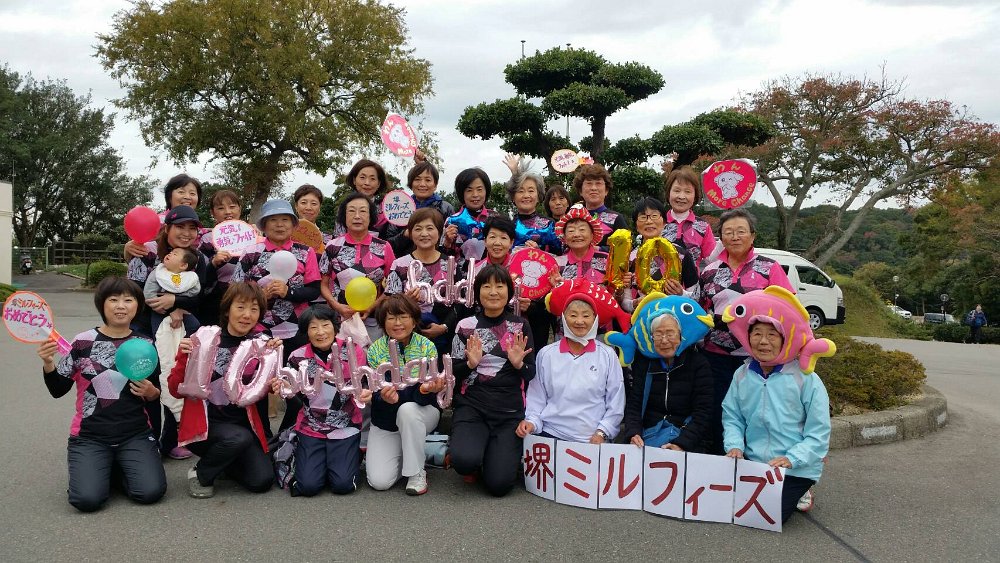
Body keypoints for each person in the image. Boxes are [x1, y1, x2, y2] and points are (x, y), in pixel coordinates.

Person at [37, 276, 166, 512]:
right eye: (113, 300)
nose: (121, 306)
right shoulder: (82, 342)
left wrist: (151, 392)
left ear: (138, 305)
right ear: (102, 304)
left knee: (150, 492)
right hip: (90, 436)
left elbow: (155, 391)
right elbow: (58, 390)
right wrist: (48, 363)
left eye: (128, 300)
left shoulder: (145, 344)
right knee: (87, 500)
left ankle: (115, 468)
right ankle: (100, 468)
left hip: (135, 433)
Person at [169, 282, 280, 498]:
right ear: (227, 309)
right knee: (238, 438)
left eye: (254, 309)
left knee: (262, 481)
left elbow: (269, 389)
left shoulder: (262, 346)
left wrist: (276, 375)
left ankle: (222, 463)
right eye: (240, 307)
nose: (247, 315)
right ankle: (201, 473)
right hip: (207, 427)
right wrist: (184, 358)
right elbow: (175, 390)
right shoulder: (203, 340)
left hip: (245, 428)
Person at [699, 208, 795, 454]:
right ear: (721, 238)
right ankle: (721, 460)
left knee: (756, 411)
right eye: (728, 232)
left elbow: (789, 308)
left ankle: (756, 463)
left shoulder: (769, 268)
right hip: (715, 355)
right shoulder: (709, 271)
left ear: (752, 235)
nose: (735, 237)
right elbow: (701, 309)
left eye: (741, 231)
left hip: (757, 356)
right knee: (718, 410)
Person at [126, 204, 215, 460]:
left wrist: (176, 303)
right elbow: (132, 295)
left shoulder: (199, 259)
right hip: (145, 327)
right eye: (180, 227)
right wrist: (162, 309)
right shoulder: (145, 254)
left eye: (192, 228)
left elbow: (200, 297)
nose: (186, 233)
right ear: (167, 229)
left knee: (176, 379)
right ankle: (149, 440)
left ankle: (173, 438)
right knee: (150, 382)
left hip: (182, 328)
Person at [723, 320, 831, 522]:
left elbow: (819, 432)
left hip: (796, 467)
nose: (763, 341)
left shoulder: (806, 378)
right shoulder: (742, 374)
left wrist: (793, 458)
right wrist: (734, 446)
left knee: (768, 516)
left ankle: (802, 490)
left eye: (772, 335)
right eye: (757, 334)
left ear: (785, 340)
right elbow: (732, 416)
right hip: (755, 463)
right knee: (727, 505)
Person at [450, 265, 535, 497]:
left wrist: (518, 364)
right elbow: (453, 373)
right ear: (477, 292)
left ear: (509, 292)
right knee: (464, 461)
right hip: (473, 407)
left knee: (499, 485)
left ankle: (491, 456)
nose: (494, 292)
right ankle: (472, 455)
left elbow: (531, 373)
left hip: (508, 412)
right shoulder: (465, 326)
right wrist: (470, 364)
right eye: (487, 286)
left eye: (500, 286)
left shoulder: (520, 325)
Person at [274, 306, 371, 496]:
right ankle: (301, 451)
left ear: (335, 326)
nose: (320, 332)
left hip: (346, 425)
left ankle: (348, 457)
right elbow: (291, 389)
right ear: (306, 331)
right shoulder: (297, 356)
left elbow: (365, 382)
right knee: (308, 487)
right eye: (313, 327)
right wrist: (283, 387)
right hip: (311, 427)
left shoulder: (354, 350)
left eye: (325, 325)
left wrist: (367, 392)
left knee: (343, 485)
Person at [518, 282, 625, 444]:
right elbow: (537, 397)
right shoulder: (546, 354)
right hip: (551, 434)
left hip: (593, 438)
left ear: (595, 319)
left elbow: (615, 401)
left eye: (586, 316)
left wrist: (603, 432)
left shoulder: (607, 355)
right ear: (563, 318)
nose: (579, 321)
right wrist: (531, 422)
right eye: (573, 315)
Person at [366, 294, 444, 495]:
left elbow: (429, 393)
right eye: (391, 318)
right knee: (379, 481)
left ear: (414, 320)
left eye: (403, 317)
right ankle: (410, 453)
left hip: (421, 412)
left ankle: (417, 472)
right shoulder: (374, 351)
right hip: (386, 420)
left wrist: (424, 390)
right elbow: (374, 392)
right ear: (383, 322)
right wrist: (383, 398)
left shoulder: (427, 347)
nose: (398, 323)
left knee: (407, 410)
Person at [621, 304, 714, 453]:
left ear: (680, 336)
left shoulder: (698, 363)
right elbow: (635, 405)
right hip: (649, 434)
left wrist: (682, 444)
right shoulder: (645, 363)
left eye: (670, 334)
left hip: (685, 437)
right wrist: (633, 433)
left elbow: (703, 412)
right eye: (658, 334)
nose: (664, 341)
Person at [231, 199, 321, 341]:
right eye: (273, 220)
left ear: (293, 225)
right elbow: (234, 289)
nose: (279, 225)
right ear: (264, 225)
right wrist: (260, 296)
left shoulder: (306, 252)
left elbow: (314, 290)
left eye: (285, 219)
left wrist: (288, 292)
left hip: (297, 329)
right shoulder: (250, 252)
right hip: (256, 329)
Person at [319, 192, 396, 341]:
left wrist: (373, 306)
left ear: (371, 216)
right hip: (340, 319)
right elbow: (323, 284)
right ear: (344, 216)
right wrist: (336, 306)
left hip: (374, 319)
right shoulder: (332, 246)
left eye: (363, 211)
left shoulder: (384, 247)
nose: (357, 216)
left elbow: (393, 285)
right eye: (351, 211)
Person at [384, 208, 457, 354]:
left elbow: (459, 304)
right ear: (410, 233)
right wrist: (406, 301)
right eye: (418, 229)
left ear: (439, 232)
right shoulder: (399, 264)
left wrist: (444, 327)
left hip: (444, 339)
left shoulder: (451, 264)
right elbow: (388, 303)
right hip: (406, 338)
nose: (424, 234)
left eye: (430, 228)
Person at [619, 197, 700, 312]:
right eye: (643, 217)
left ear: (664, 222)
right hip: (641, 317)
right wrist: (635, 303)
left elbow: (697, 296)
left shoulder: (681, 254)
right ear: (636, 225)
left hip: (674, 316)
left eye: (654, 216)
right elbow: (624, 303)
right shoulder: (629, 258)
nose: (649, 221)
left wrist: (681, 293)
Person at [123, 173, 206, 259]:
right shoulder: (155, 223)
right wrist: (128, 248)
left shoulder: (202, 231)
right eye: (181, 192)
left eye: (192, 193)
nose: (187, 197)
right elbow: (135, 253)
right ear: (169, 196)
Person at [388, 160, 455, 258]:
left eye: (428, 180)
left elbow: (452, 246)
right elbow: (389, 245)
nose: (422, 184)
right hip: (405, 263)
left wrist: (446, 243)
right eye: (417, 179)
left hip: (436, 263)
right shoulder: (399, 208)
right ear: (411, 184)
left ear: (435, 185)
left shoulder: (446, 208)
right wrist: (405, 235)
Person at [198, 188, 243, 325]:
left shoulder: (252, 235)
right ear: (212, 212)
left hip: (245, 298)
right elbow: (200, 275)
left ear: (240, 209)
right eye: (221, 208)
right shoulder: (207, 239)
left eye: (232, 206)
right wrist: (213, 263)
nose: (228, 212)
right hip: (215, 301)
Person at [504, 153, 561, 254]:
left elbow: (559, 254)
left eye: (531, 191)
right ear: (513, 197)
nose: (526, 195)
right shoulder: (508, 226)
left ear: (538, 196)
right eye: (520, 191)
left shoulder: (548, 224)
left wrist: (539, 252)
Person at [661, 165, 717, 268]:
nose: (681, 196)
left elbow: (712, 261)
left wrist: (724, 239)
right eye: (677, 190)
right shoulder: (658, 222)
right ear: (668, 193)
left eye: (687, 192)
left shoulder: (703, 227)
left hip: (692, 279)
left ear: (695, 196)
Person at [143, 246, 201, 336]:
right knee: (160, 334)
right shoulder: (159, 272)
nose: (170, 254)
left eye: (175, 254)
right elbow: (149, 291)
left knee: (194, 325)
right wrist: (157, 305)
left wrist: (178, 298)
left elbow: (195, 290)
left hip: (181, 308)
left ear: (183, 265)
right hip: (160, 309)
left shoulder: (189, 277)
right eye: (171, 252)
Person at [444, 168, 498, 260]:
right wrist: (447, 242)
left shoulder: (496, 218)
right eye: (469, 190)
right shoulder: (452, 220)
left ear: (486, 191)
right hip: (459, 269)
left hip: (490, 269)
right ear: (462, 193)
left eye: (479, 189)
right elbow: (443, 257)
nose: (475, 194)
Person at [572, 163, 627, 249]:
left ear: (606, 191)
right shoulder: (572, 217)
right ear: (580, 191)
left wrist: (600, 249)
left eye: (598, 183)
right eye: (589, 183)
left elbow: (625, 247)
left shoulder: (616, 219)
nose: (594, 188)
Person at [554, 205, 609, 285]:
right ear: (564, 237)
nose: (576, 234)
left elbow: (616, 289)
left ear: (592, 235)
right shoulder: (557, 263)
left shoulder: (607, 260)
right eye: (571, 231)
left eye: (582, 230)